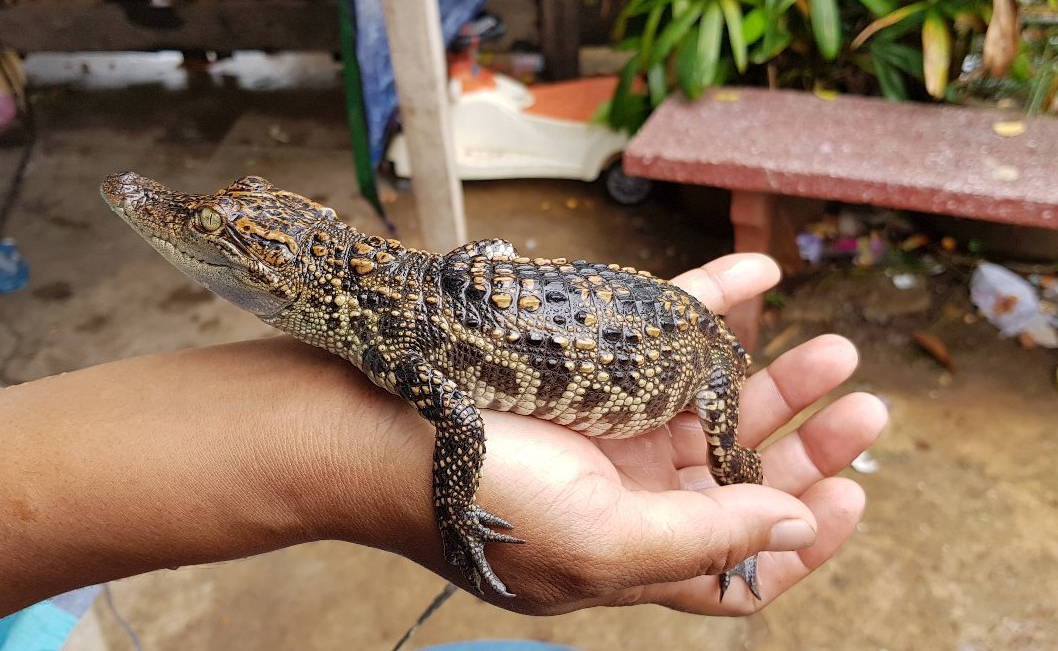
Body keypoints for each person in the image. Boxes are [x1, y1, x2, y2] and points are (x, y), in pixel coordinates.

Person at [0, 253, 885, 619]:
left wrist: (450, 509)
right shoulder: (380, 310)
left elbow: (457, 415)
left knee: (732, 453)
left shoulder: (397, 313)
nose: (162, 214)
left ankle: (744, 502)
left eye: (219, 231)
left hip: (681, 353)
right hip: (611, 324)